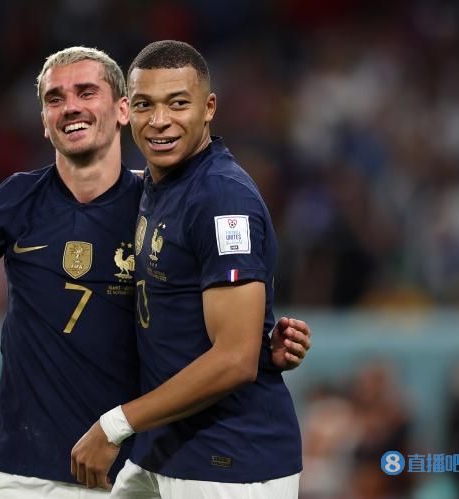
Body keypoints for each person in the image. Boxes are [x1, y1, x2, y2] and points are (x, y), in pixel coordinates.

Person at [0, 46, 311, 498]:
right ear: (44, 119)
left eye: (86, 92)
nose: (71, 107)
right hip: (22, 469)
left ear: (121, 109)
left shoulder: (165, 199)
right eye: (55, 98)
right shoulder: (16, 198)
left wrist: (255, 349)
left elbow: (218, 334)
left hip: (122, 463)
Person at [71, 40, 303, 499]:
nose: (160, 120)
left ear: (209, 107)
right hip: (163, 449)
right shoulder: (158, 184)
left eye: (178, 103)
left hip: (228, 461)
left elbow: (235, 360)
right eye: (145, 105)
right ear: (126, 111)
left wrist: (114, 425)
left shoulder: (222, 199)